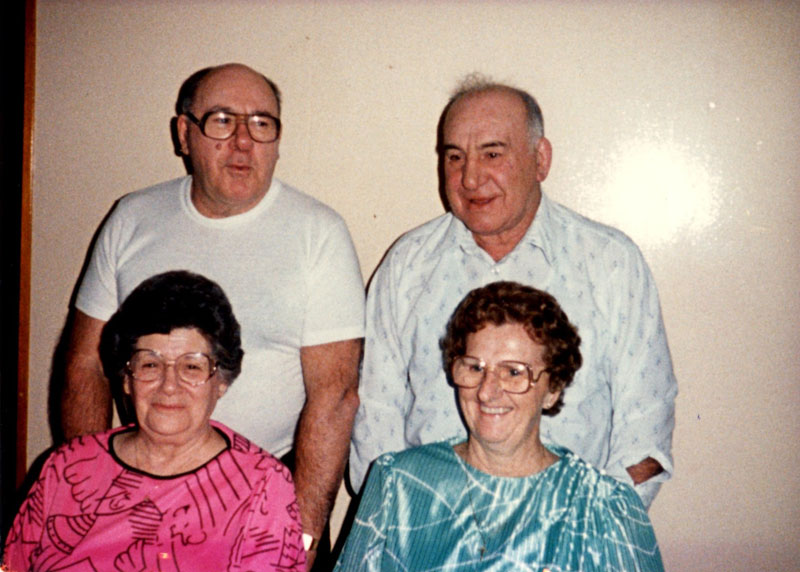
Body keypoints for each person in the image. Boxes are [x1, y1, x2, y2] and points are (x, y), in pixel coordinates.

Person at [59, 63, 364, 566]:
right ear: (184, 133)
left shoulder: (318, 234)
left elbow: (334, 396)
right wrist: (93, 490)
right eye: (222, 120)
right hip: (140, 487)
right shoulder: (131, 218)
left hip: (268, 500)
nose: (243, 142)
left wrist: (301, 539)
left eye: (262, 124)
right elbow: (85, 364)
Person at [351, 75, 676, 507]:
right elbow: (374, 427)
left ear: (540, 159)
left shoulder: (611, 263)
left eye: (492, 154)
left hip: (571, 537)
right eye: (454, 156)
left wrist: (585, 525)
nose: (470, 177)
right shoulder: (406, 266)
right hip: (431, 534)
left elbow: (645, 436)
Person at [336, 282, 664, 571]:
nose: (487, 390)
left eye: (513, 372)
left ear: (553, 389)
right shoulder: (399, 483)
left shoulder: (603, 507)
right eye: (475, 367)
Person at [4, 271, 306, 571]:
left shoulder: (262, 486)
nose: (169, 385)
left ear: (222, 381)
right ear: (126, 379)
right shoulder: (66, 467)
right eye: (150, 364)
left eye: (191, 366)